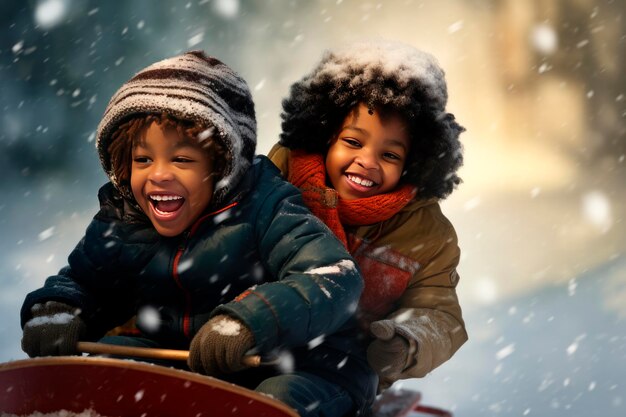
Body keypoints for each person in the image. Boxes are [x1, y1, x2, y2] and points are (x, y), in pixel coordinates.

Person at [20, 51, 376, 417]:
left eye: (182, 160)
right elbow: (85, 280)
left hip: (297, 364)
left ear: (223, 167)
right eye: (143, 160)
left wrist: (248, 321)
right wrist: (60, 310)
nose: (158, 174)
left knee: (274, 403)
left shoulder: (267, 206)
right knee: (109, 369)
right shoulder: (124, 216)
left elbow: (333, 277)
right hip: (182, 357)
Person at [268, 40, 469, 390]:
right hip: (255, 340)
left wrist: (406, 342)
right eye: (353, 142)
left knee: (285, 400)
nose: (368, 162)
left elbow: (440, 315)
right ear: (325, 136)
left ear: (414, 164)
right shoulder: (279, 177)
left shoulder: (427, 235)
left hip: (342, 367)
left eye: (390, 155)